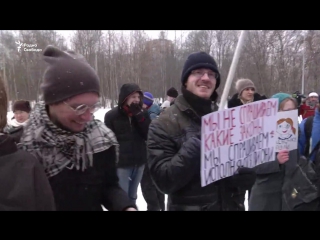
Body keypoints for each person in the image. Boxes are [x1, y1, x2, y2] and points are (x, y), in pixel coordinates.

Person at [19, 45, 136, 211]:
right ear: (52, 101)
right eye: (79, 107)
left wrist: (125, 207)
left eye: (92, 106)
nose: (88, 117)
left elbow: (108, 187)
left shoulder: (101, 141)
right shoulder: (24, 146)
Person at [147, 51, 256, 211]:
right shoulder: (164, 123)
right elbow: (164, 181)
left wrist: (242, 177)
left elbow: (230, 168)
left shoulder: (226, 119)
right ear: (185, 80)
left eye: (211, 74)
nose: (205, 78)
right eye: (198, 72)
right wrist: (196, 146)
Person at [249, 93, 319, 211]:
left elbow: (297, 158)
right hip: (266, 195)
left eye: (293, 110)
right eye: (287, 110)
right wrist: (276, 161)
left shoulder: (293, 131)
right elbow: (253, 165)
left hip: (289, 194)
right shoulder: (261, 134)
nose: (291, 114)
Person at [0, 74, 55, 211]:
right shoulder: (9, 130)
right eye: (16, 112)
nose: (19, 115)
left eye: (22, 112)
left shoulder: (34, 132)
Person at [104, 83, 151, 207]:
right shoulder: (111, 116)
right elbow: (108, 142)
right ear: (125, 98)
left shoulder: (143, 113)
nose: (136, 100)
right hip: (122, 165)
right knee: (122, 198)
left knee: (133, 195)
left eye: (138, 97)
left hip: (139, 162)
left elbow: (148, 135)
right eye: (133, 97)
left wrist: (139, 117)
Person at [141, 92, 165, 211]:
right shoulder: (156, 111)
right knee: (156, 184)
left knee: (148, 185)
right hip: (157, 154)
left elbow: (150, 134)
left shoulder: (151, 115)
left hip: (149, 153)